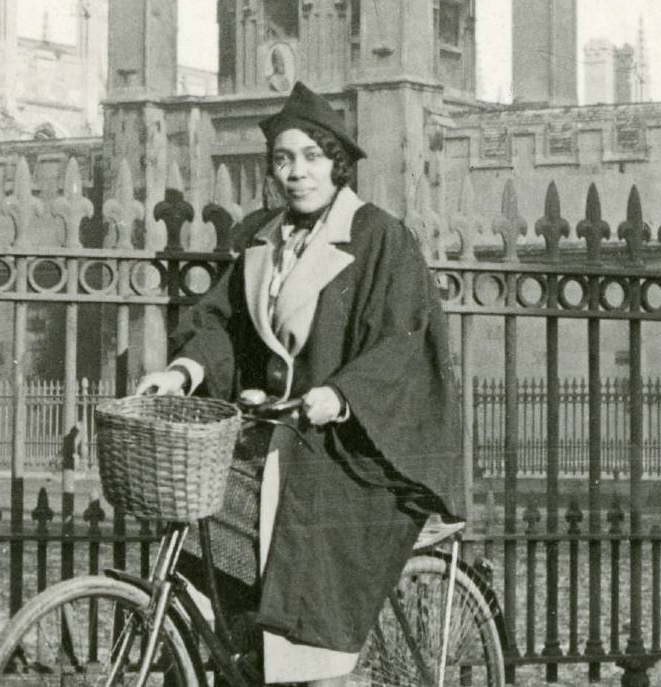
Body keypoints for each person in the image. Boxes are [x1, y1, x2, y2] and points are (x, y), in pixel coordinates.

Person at [133, 82, 464, 686]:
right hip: (276, 427)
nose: (296, 173)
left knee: (305, 514)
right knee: (210, 508)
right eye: (284, 159)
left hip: (353, 444)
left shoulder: (378, 238)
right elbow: (224, 321)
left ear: (337, 163)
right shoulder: (262, 236)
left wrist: (341, 394)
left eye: (311, 157)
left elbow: (404, 342)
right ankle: (231, 648)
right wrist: (183, 371)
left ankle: (318, 671)